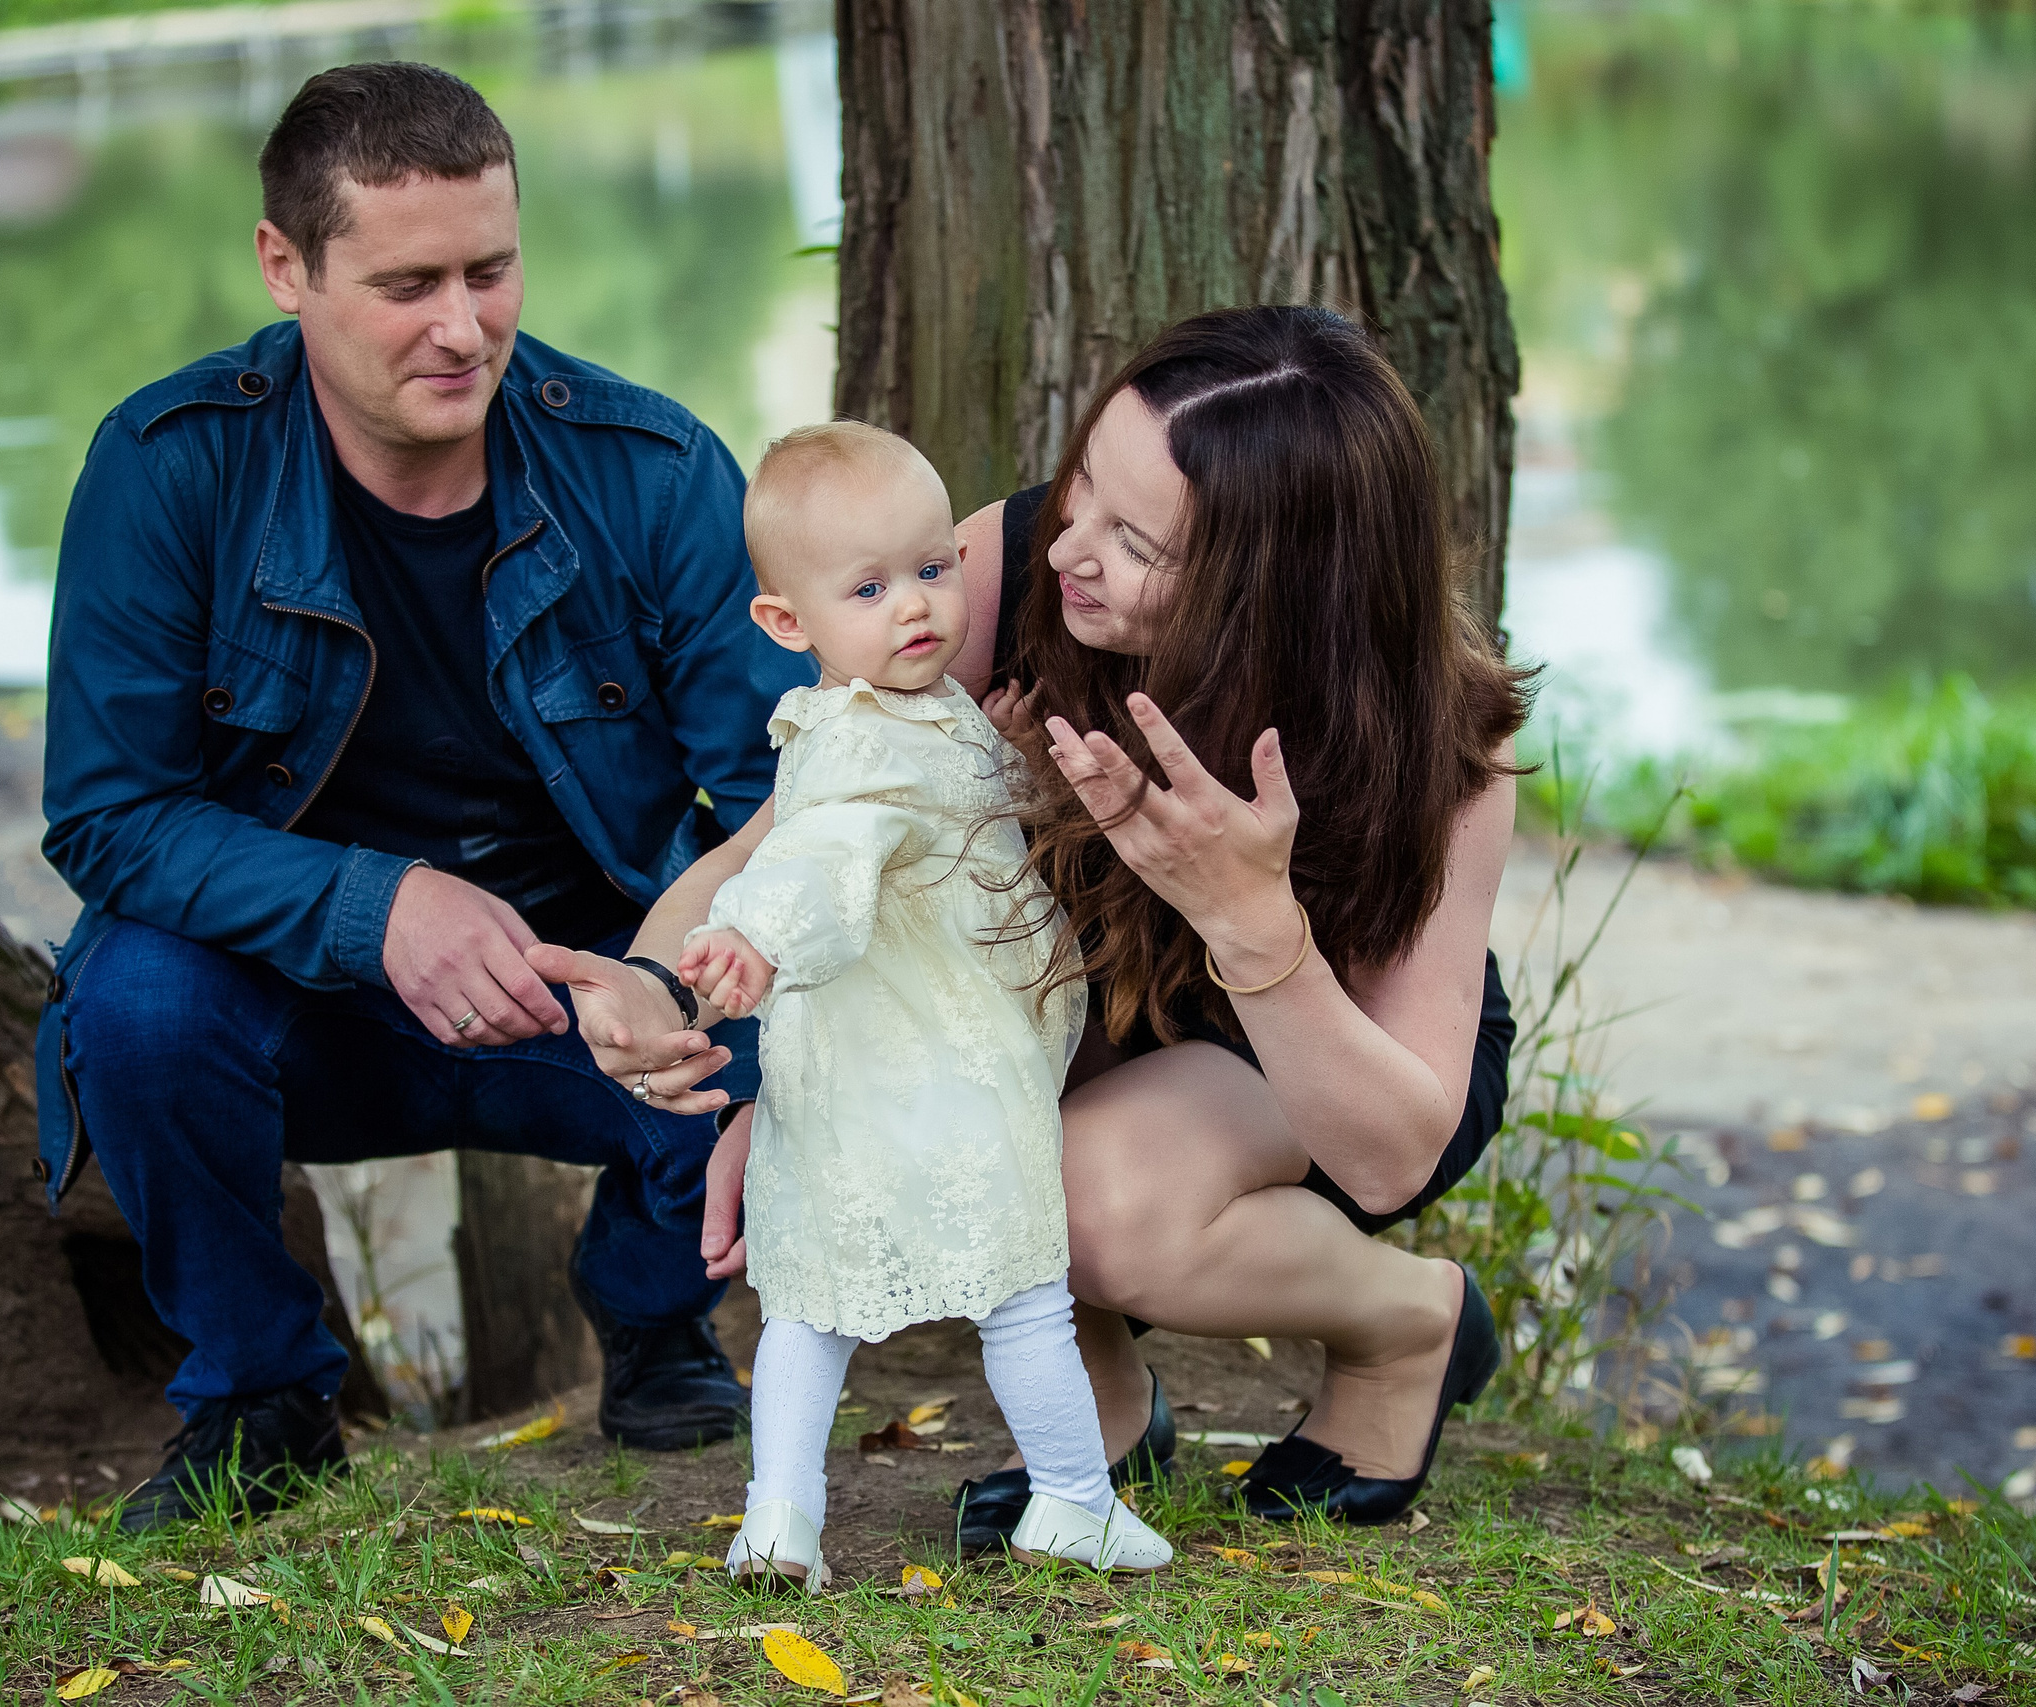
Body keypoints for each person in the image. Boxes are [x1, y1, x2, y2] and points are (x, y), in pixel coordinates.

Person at [588, 306, 1530, 1542]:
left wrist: (1251, 920)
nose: (1069, 547)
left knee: (1086, 1199)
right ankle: (1104, 1412)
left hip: (1306, 1044)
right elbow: (793, 843)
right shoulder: (1008, 568)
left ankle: (1407, 1325)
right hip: (1055, 999)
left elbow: (1393, 1152)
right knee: (948, 1144)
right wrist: (674, 999)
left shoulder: (1440, 734)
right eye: (1083, 482)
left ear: (1278, 584)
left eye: (1136, 540)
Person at [32, 60, 811, 1530]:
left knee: (806, 972)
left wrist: (671, 964)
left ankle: (654, 1318)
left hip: (593, 997)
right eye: (408, 285)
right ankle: (262, 1390)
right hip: (303, 1005)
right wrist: (372, 905)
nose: (465, 328)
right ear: (286, 265)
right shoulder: (166, 468)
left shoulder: (647, 465)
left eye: (491, 270)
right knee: (127, 1004)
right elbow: (106, 815)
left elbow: (791, 789)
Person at [675, 423, 1171, 1587]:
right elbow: (827, 859)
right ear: (787, 625)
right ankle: (1071, 1498)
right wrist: (753, 934)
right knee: (1019, 1293)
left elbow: (954, 824)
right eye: (868, 588)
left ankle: (780, 1519)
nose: (916, 609)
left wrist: (1003, 763)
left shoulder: (913, 714)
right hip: (934, 1068)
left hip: (853, 1066)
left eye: (933, 571)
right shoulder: (858, 749)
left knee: (810, 1302)